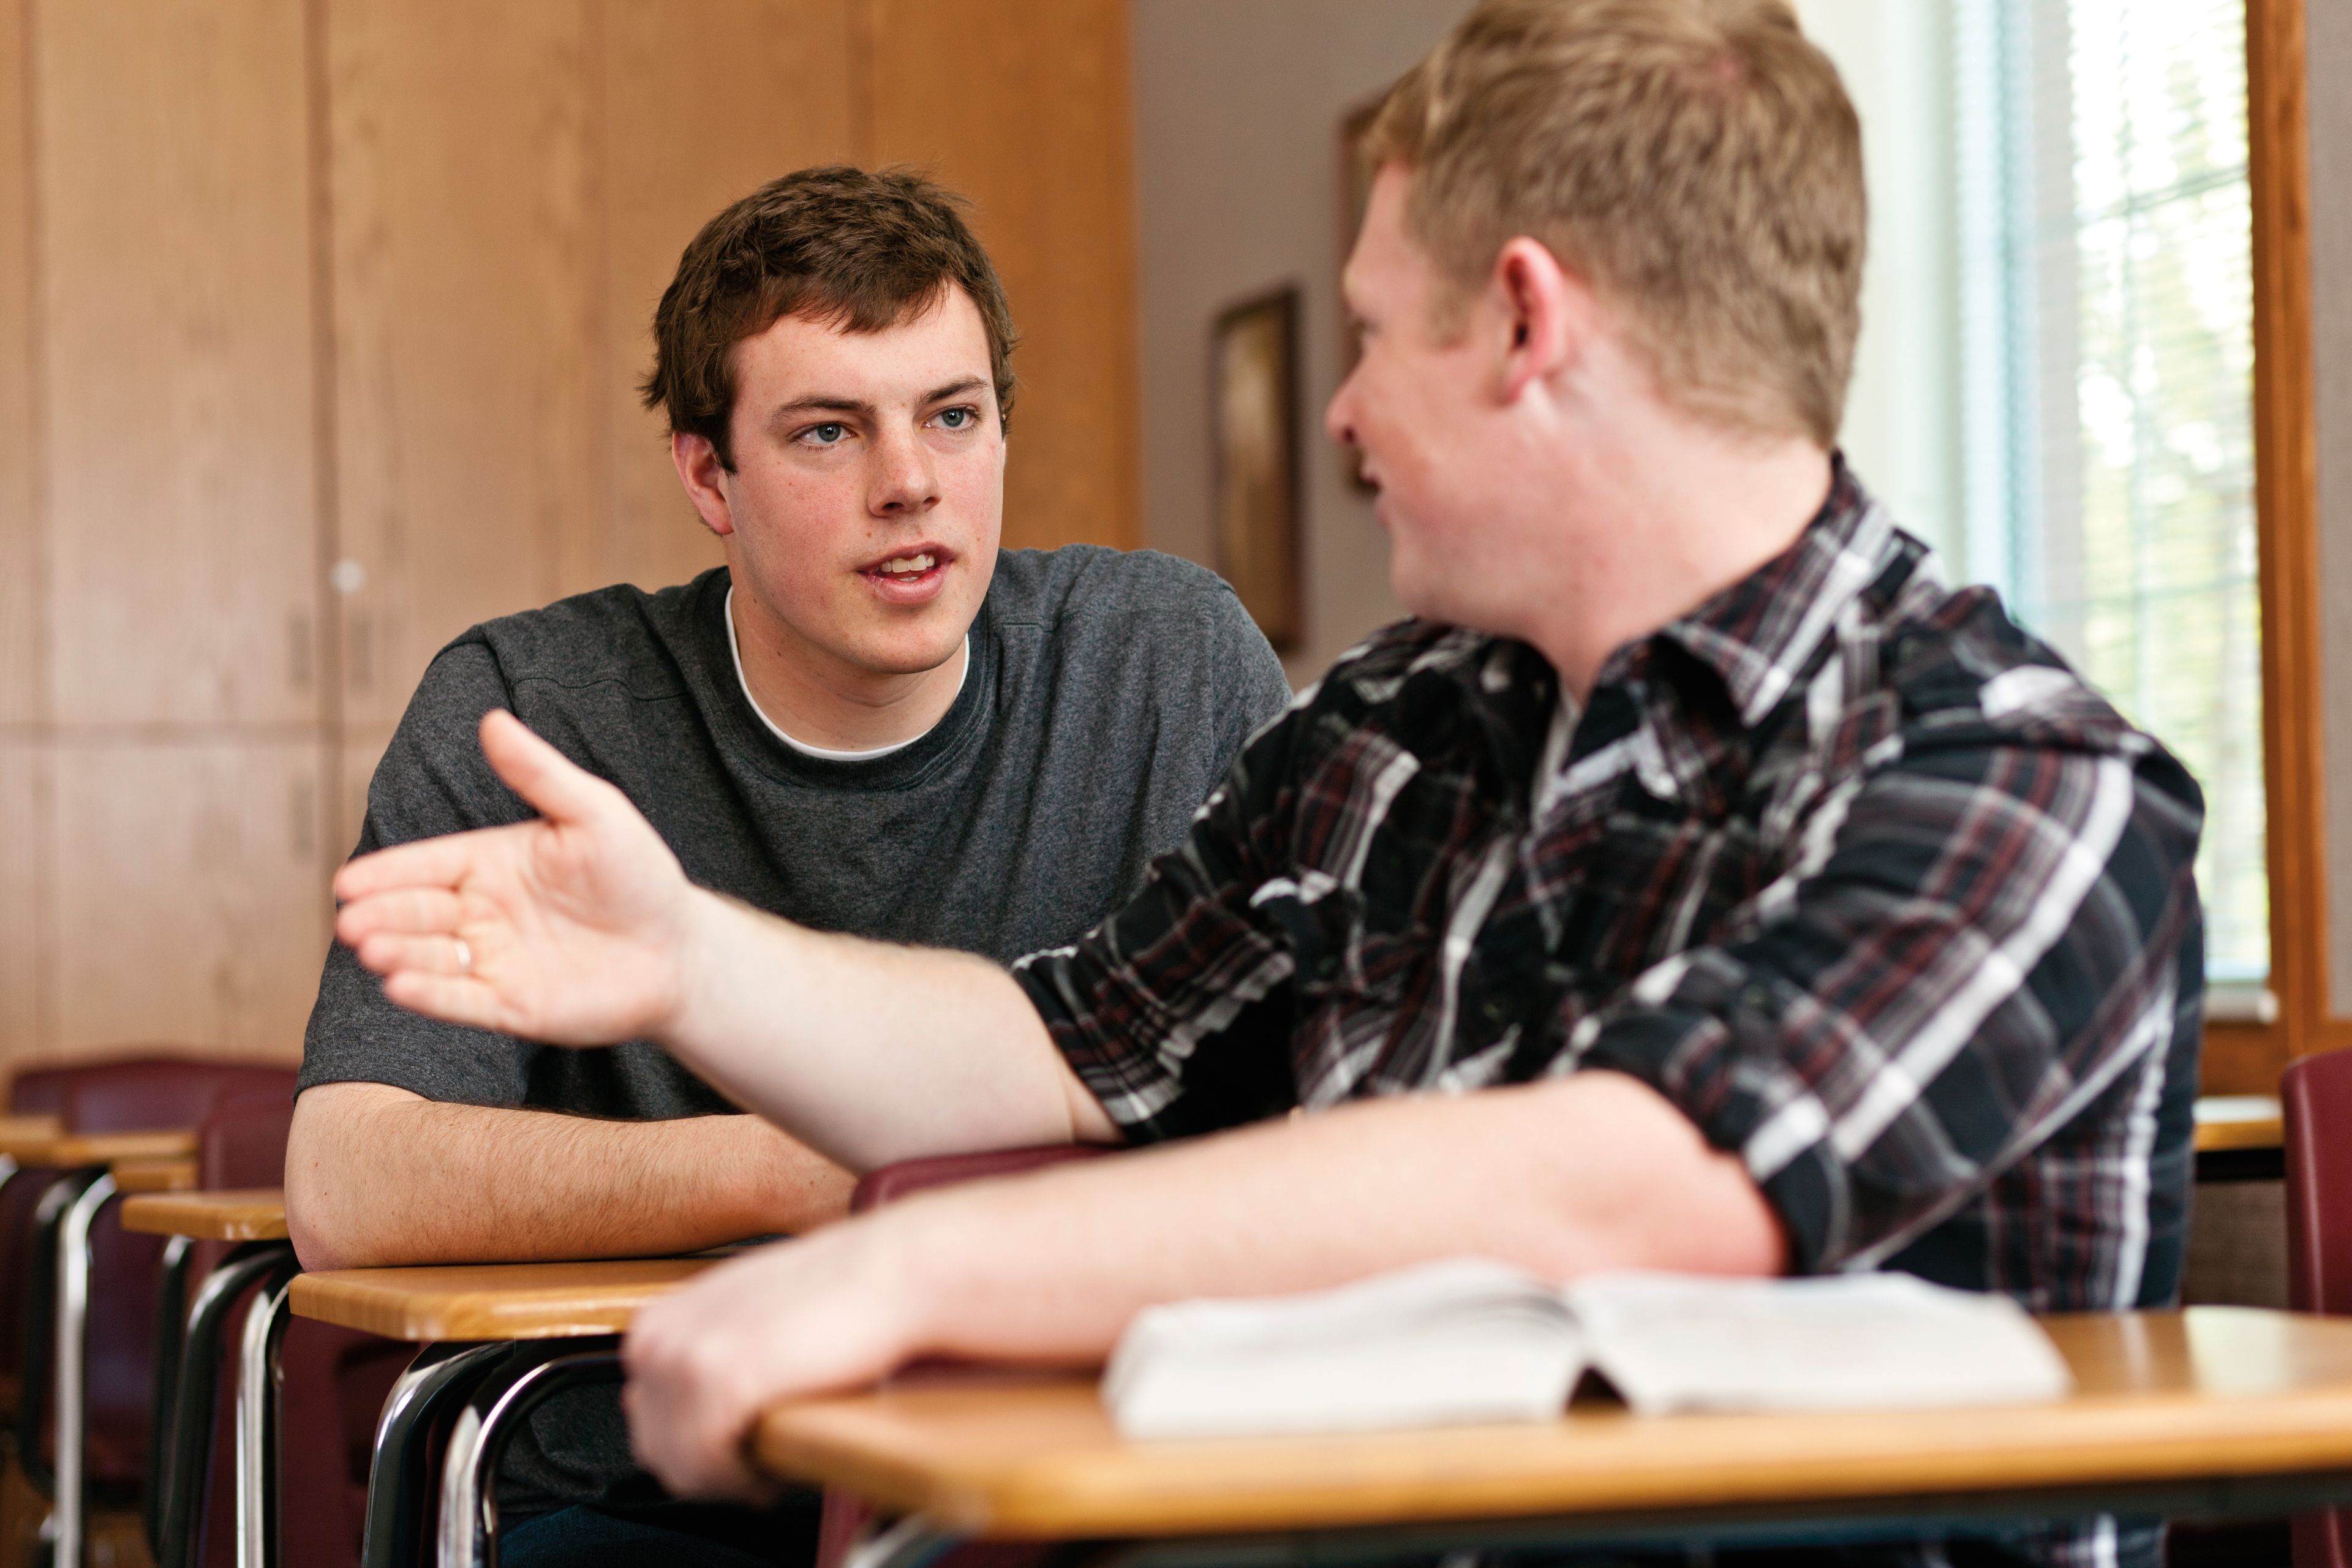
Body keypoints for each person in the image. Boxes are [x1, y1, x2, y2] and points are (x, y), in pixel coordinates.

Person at [331, 4, 2206, 1563]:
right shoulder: (1396, 728)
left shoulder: (2023, 785)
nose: (1341, 408)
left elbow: (1640, 1190)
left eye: (1378, 332)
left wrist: (915, 1269)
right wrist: (691, 964)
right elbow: (1060, 1054)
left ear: (1529, 326)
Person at [287, 166, 1292, 1563]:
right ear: (710, 474)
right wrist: (803, 1167)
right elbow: (348, 1182)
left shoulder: (1163, 662)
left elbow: (1313, 1113)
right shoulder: (535, 709)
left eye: (955, 415)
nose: (911, 484)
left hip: (1081, 1453)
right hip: (654, 1481)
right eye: (829, 432)